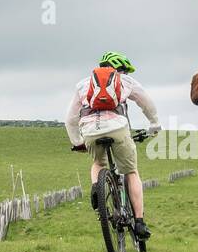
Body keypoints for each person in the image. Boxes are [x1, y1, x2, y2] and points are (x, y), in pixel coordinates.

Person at [65, 51, 161, 241]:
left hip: (90, 131)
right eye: (125, 70)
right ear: (121, 69)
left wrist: (77, 142)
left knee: (98, 163)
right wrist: (154, 124)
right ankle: (140, 223)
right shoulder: (126, 81)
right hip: (117, 128)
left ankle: (97, 191)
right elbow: (146, 102)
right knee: (131, 171)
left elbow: (70, 118)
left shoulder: (83, 84)